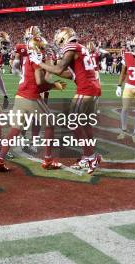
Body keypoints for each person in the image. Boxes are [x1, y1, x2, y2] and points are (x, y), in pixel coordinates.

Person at [30, 27, 102, 175]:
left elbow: (60, 68)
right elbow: (71, 74)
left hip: (86, 89)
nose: (58, 42)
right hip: (91, 86)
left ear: (63, 38)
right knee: (85, 123)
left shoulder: (71, 47)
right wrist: (55, 76)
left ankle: (91, 156)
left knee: (72, 122)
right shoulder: (80, 47)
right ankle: (87, 156)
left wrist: (39, 63)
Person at [0, 37, 66, 172]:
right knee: (50, 124)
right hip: (31, 97)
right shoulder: (36, 58)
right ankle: (48, 160)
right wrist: (53, 86)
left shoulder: (27, 57)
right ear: (36, 48)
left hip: (20, 96)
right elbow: (38, 82)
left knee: (14, 129)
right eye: (42, 47)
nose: (44, 50)